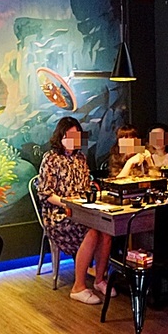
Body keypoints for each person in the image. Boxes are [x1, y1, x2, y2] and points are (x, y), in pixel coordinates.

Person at [38, 117, 113, 304]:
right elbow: (46, 194)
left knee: (106, 230)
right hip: (58, 214)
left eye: (77, 136)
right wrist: (66, 204)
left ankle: (99, 280)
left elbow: (86, 186)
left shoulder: (81, 158)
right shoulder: (51, 158)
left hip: (82, 210)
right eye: (69, 135)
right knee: (92, 231)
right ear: (60, 136)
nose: (73, 140)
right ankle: (78, 287)